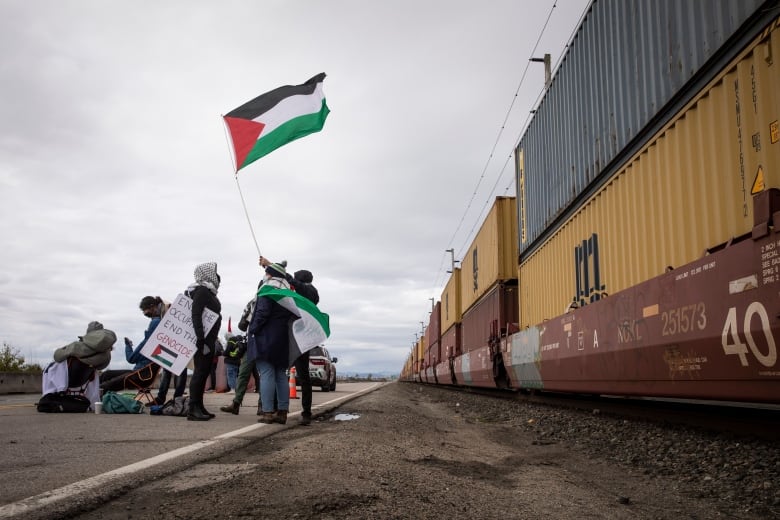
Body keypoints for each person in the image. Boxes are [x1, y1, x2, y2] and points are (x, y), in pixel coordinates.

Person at [249, 260, 295, 424]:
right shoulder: (288, 293)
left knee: (267, 374)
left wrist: (252, 329)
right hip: (282, 339)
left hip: (266, 337)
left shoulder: (267, 290)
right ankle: (282, 412)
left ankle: (268, 412)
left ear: (270, 275)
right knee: (280, 375)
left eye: (267, 272)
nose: (265, 275)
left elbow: (262, 313)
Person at [100, 297, 167, 392]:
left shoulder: (154, 326)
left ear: (152, 307)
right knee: (106, 375)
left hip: (140, 376)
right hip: (139, 373)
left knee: (105, 385)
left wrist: (128, 346)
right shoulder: (158, 346)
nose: (144, 313)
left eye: (145, 310)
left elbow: (131, 358)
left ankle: (94, 399)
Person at [186, 262, 222, 421]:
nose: (218, 278)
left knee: (204, 372)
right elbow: (196, 314)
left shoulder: (208, 291)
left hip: (210, 340)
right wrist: (200, 338)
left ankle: (199, 405)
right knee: (199, 373)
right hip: (203, 340)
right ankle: (193, 408)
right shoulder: (201, 291)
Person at [137, 296, 188, 405]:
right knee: (166, 372)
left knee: (180, 372)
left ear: (152, 306)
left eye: (146, 311)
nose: (146, 314)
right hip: (169, 345)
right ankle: (161, 398)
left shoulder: (168, 309)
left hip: (179, 345)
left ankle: (177, 399)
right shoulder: (160, 313)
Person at [219, 295, 263, 415]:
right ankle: (236, 403)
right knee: (243, 374)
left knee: (263, 375)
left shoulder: (270, 303)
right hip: (251, 344)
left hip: (262, 344)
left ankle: (263, 405)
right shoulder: (253, 303)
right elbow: (242, 326)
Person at [289, 269, 320, 426]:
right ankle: (306, 412)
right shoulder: (312, 293)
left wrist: (272, 267)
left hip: (297, 337)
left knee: (283, 371)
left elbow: (292, 281)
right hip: (304, 337)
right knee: (304, 376)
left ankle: (278, 409)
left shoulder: (307, 290)